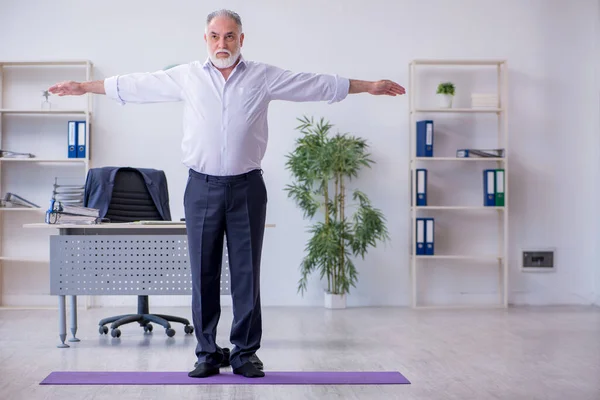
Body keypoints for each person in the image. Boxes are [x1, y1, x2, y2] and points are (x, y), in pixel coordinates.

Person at [48, 9, 405, 379]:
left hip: (248, 187)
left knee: (246, 273)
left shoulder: (264, 77)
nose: (223, 43)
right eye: (216, 36)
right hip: (201, 188)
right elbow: (138, 85)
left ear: (241, 39)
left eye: (230, 36)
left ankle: (245, 353)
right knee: (203, 273)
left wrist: (368, 85)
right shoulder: (187, 76)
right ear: (206, 39)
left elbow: (313, 84)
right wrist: (84, 87)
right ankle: (206, 352)